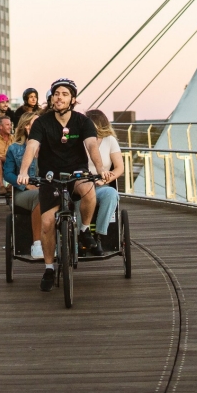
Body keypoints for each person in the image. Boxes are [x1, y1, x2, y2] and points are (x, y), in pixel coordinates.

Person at [17, 77, 109, 292]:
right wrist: (23, 172)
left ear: (73, 99)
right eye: (56, 93)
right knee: (48, 223)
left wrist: (100, 168)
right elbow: (32, 146)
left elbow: (92, 146)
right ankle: (49, 268)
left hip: (77, 172)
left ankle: (85, 230)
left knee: (88, 190)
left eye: (65, 94)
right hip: (51, 177)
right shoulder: (42, 123)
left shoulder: (82, 122)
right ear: (51, 98)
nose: (59, 97)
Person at [4, 113, 43, 258]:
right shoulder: (15, 149)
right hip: (23, 192)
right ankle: (37, 244)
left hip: (48, 188)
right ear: (27, 126)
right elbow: (8, 174)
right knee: (41, 196)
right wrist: (26, 185)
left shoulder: (49, 147)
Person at [85, 109, 124, 253]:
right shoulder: (80, 139)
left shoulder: (110, 140)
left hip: (101, 182)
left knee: (111, 194)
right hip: (82, 181)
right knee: (78, 197)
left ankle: (99, 236)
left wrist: (106, 179)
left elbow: (119, 167)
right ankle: (81, 235)